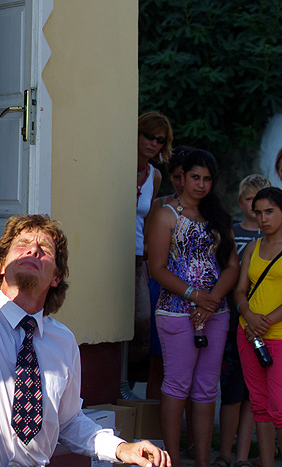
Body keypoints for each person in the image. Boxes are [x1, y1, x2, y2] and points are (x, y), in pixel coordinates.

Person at [0, 133, 171, 467]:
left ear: (56, 277)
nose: (33, 250)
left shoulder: (63, 341)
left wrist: (121, 448)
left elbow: (69, 422)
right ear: (1, 266)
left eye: (44, 250)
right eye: (22, 245)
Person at [148, 150, 239, 467]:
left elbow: (232, 266)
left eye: (207, 179)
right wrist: (194, 295)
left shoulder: (218, 217)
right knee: (177, 385)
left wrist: (211, 300)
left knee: (206, 389)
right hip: (176, 311)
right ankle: (171, 460)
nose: (201, 184)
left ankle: (202, 461)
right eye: (195, 177)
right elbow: (157, 268)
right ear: (183, 177)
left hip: (216, 312)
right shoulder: (167, 215)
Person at [213, 175, 273, 467]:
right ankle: (227, 454)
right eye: (251, 201)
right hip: (238, 322)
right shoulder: (237, 235)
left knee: (258, 397)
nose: (257, 210)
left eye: (267, 207)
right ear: (241, 203)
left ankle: (246, 457)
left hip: (269, 326)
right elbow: (229, 277)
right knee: (235, 393)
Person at [233, 187, 282, 467]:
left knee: (280, 408)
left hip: (277, 335)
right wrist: (248, 315)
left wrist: (264, 322)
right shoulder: (253, 247)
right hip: (249, 335)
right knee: (260, 406)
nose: (264, 218)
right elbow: (240, 289)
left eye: (270, 212)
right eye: (259, 212)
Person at [128, 111, 174, 394]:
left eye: (160, 140)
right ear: (136, 133)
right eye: (149, 136)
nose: (154, 144)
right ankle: (121, 386)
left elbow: (146, 219)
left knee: (142, 321)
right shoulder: (119, 165)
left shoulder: (154, 175)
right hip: (108, 252)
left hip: (136, 256)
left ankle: (128, 384)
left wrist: (147, 252)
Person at [144, 146, 190, 400]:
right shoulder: (161, 206)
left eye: (186, 176)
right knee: (158, 362)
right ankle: (153, 420)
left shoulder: (209, 210)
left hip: (198, 290)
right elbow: (146, 245)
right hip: (162, 286)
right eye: (176, 177)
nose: (181, 183)